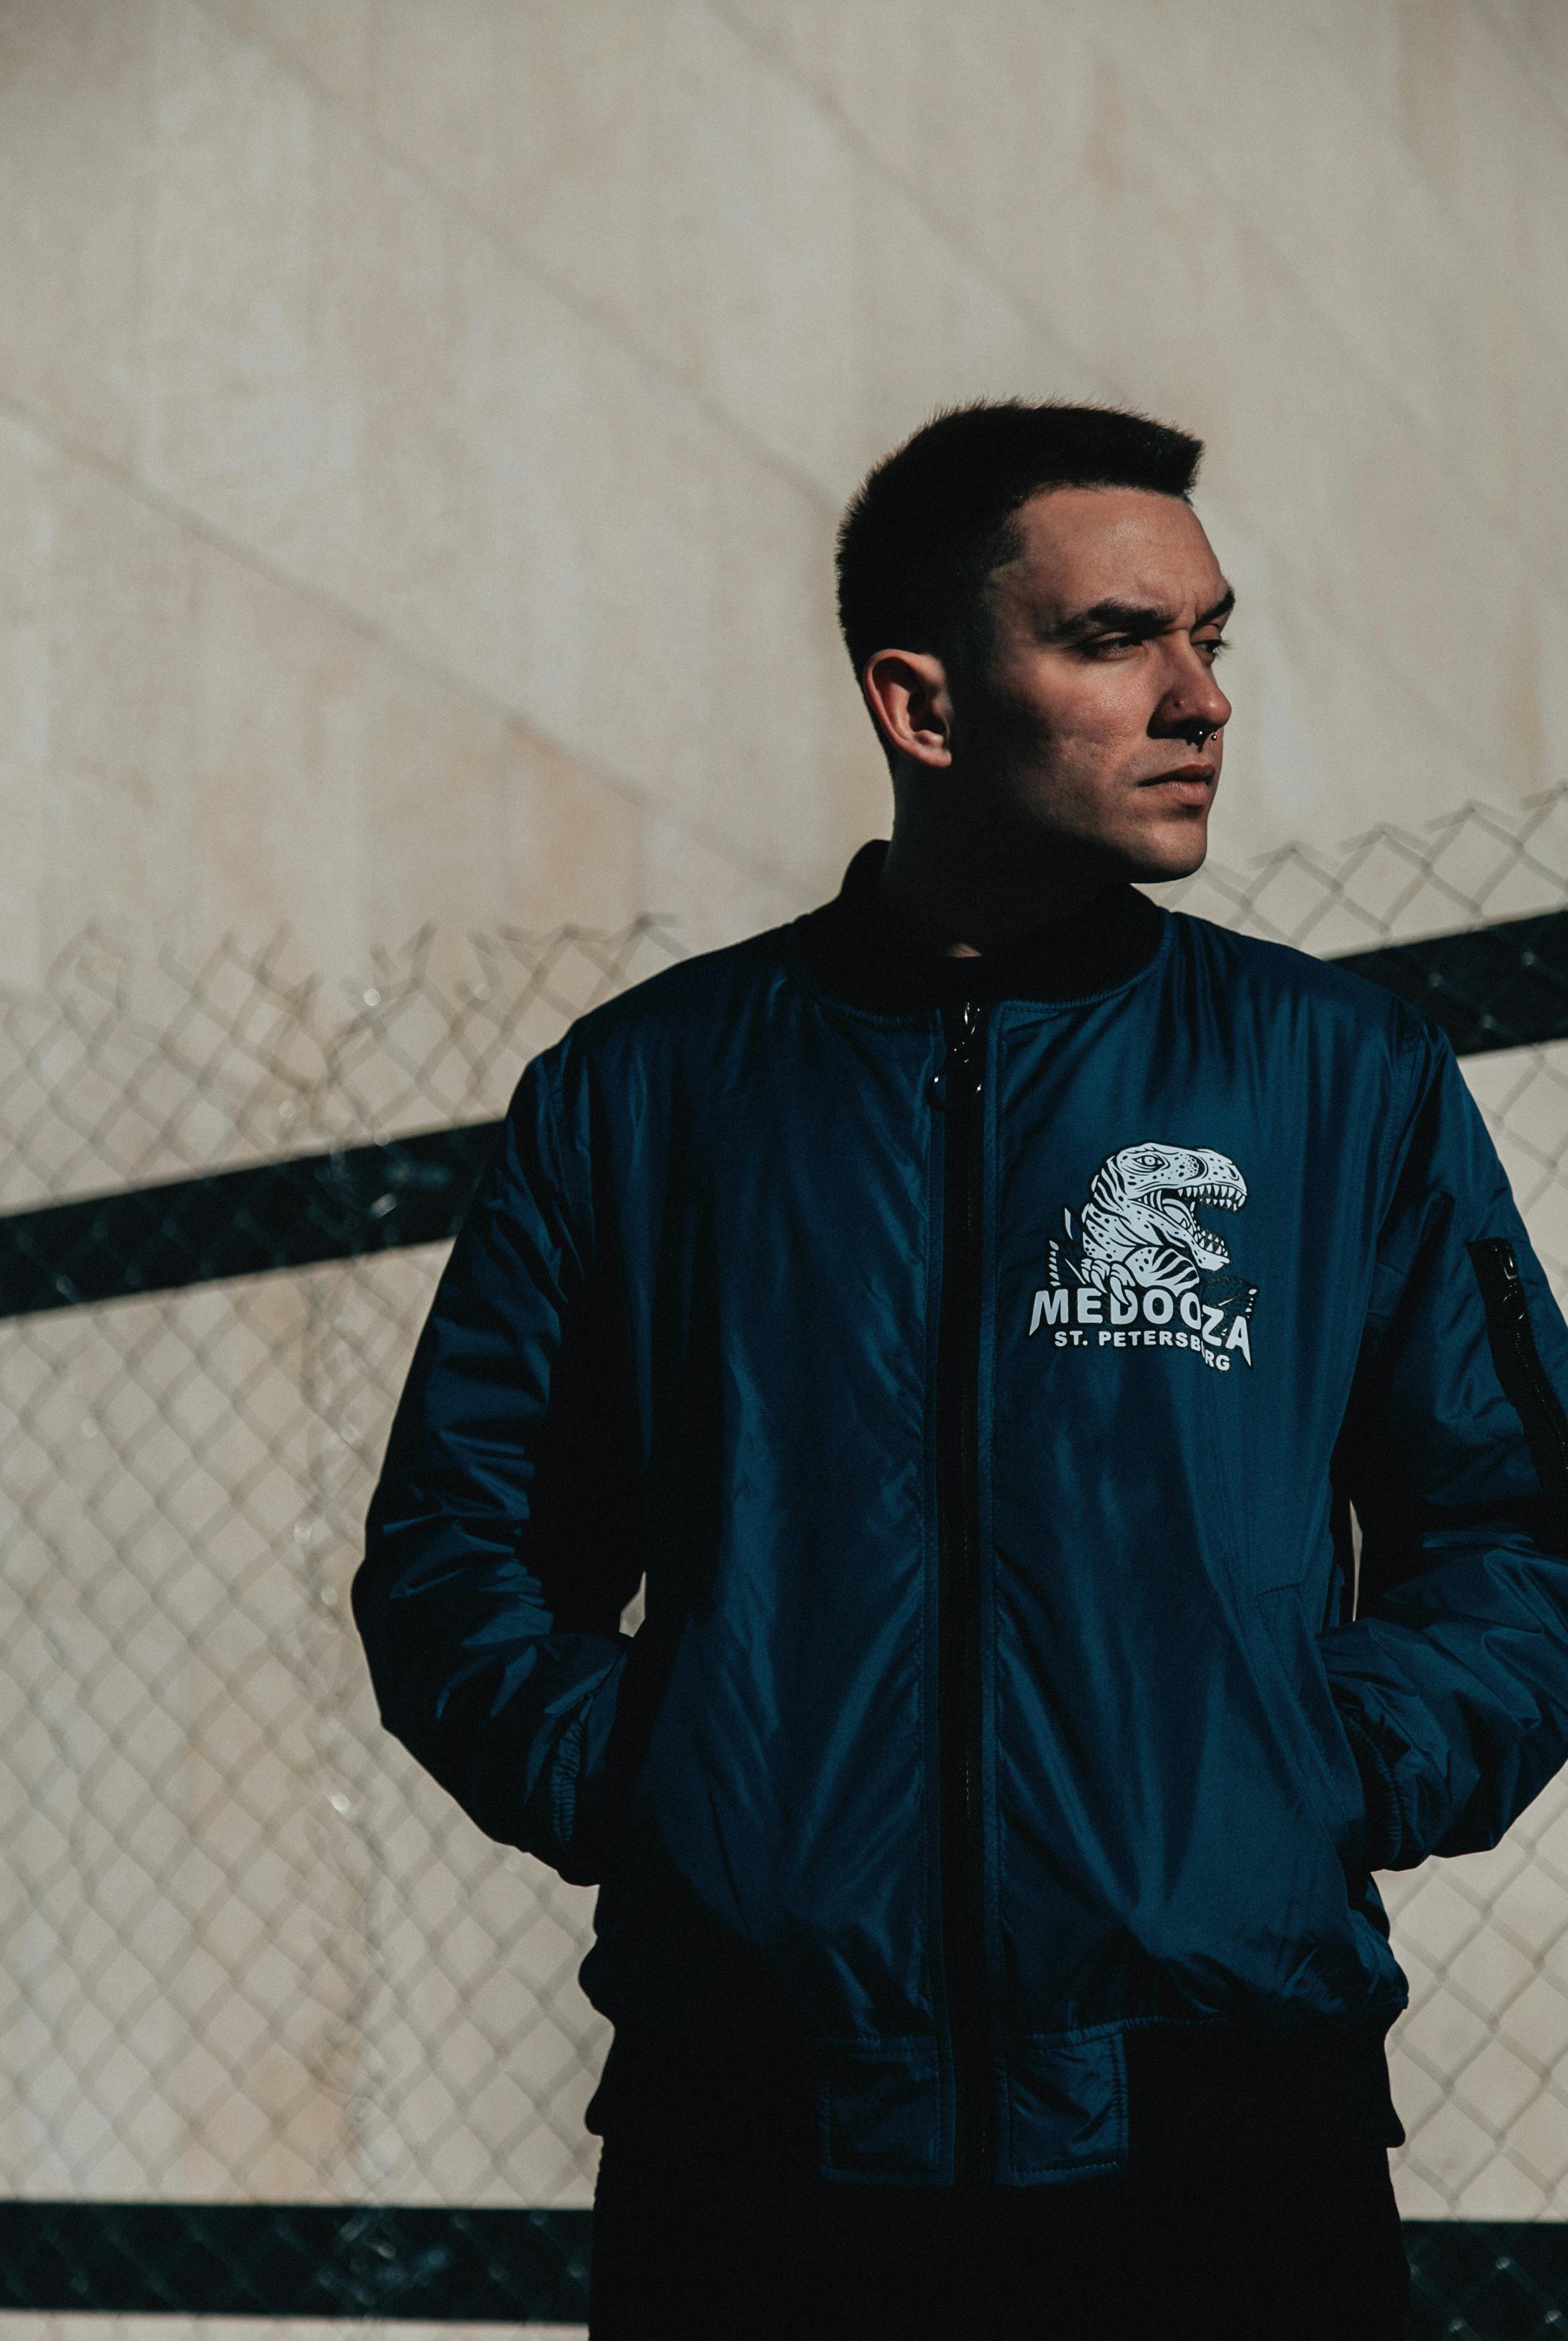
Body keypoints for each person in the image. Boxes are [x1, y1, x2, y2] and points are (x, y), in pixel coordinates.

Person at [354, 401, 1568, 2338]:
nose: (1198, 701)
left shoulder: (1338, 1079)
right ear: (920, 706)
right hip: (756, 2141)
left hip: (1227, 2142)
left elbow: (1519, 1534)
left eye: (1210, 637)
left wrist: (1307, 1773)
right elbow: (457, 1550)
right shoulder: (647, 1094)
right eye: (1113, 639)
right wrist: (672, 1794)